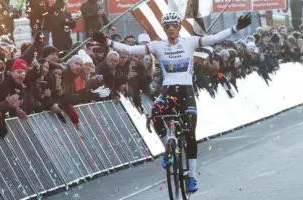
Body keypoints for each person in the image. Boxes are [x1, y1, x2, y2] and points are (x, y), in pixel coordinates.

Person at [91, 12, 252, 192]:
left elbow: (213, 38)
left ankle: (191, 176)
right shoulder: (158, 45)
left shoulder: (189, 42)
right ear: (164, 28)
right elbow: (129, 50)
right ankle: (168, 148)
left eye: (174, 25)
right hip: (168, 91)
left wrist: (236, 28)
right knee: (155, 114)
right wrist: (108, 42)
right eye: (167, 26)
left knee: (190, 133)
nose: (171, 29)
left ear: (179, 27)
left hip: (186, 91)